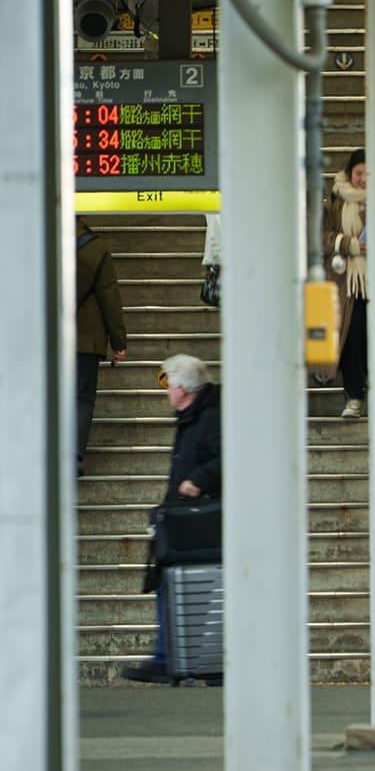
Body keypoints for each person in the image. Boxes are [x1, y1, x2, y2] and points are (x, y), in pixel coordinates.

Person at [123, 354, 221, 684]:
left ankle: (172, 658)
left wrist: (199, 480)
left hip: (202, 518)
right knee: (170, 580)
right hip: (185, 516)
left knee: (179, 582)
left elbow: (230, 455)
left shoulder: (209, 418)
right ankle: (172, 656)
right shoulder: (193, 416)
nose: (165, 389)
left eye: (167, 382)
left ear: (182, 387)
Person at [74, 218, 127, 473]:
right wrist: (119, 342)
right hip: (86, 339)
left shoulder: (41, 241)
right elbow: (109, 297)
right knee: (82, 398)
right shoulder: (96, 248)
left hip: (48, 339)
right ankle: (73, 456)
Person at [323, 149, 369, 418]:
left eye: (367, 174)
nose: (363, 179)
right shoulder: (336, 199)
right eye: (358, 173)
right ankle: (354, 397)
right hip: (346, 282)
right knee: (351, 338)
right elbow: (323, 236)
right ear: (349, 173)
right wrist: (348, 244)